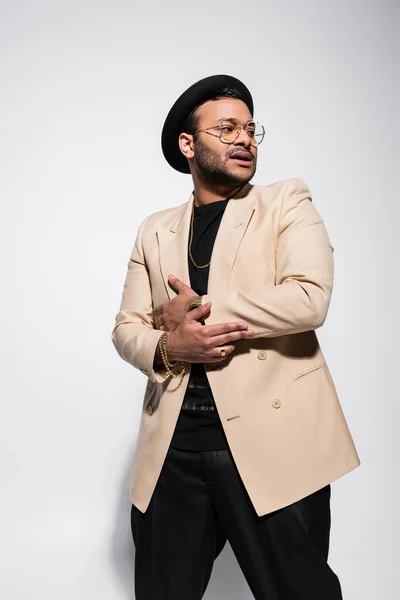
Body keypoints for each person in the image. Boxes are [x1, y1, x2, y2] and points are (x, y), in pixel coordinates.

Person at [111, 74, 360, 600]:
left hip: (273, 443)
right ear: (188, 145)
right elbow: (127, 326)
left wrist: (195, 314)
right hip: (173, 450)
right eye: (226, 128)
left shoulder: (286, 202)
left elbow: (309, 297)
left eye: (250, 128)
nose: (244, 138)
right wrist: (166, 346)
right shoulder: (154, 229)